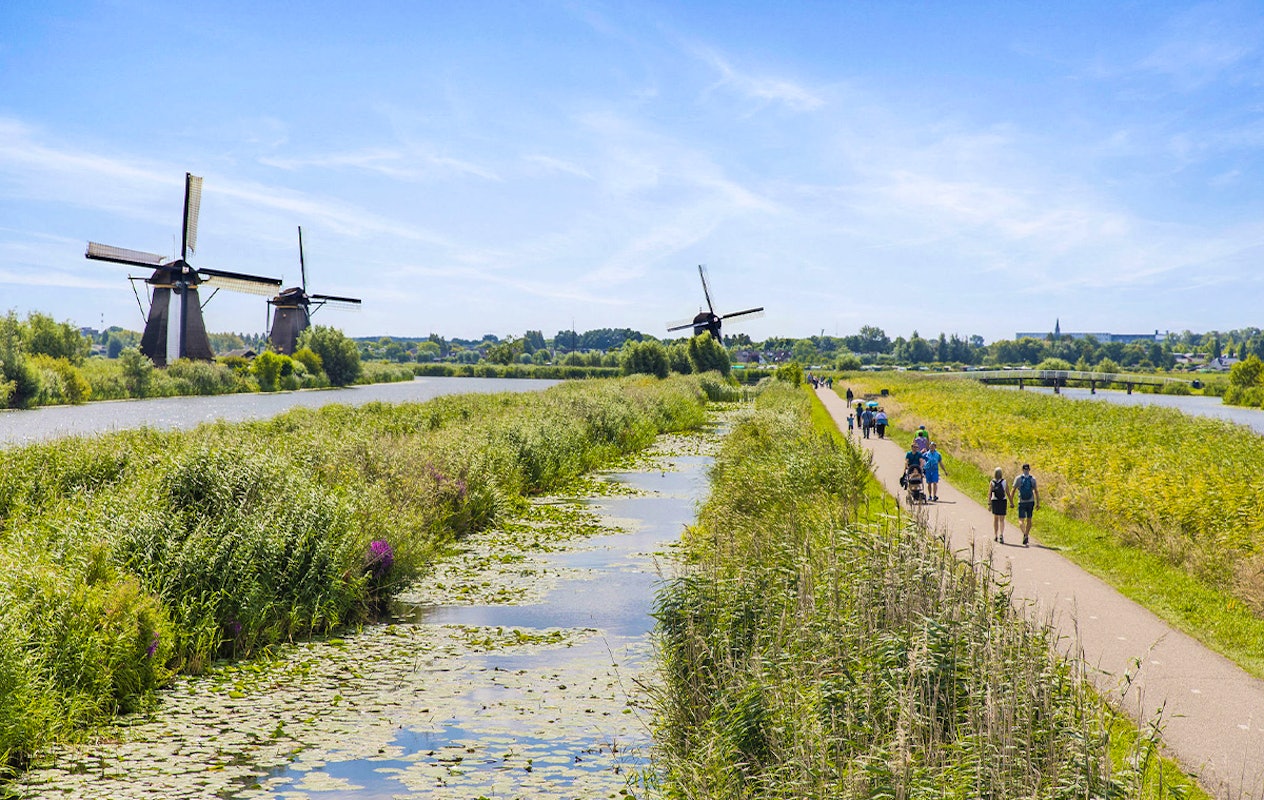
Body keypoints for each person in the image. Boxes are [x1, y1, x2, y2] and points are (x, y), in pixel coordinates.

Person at [1009, 463, 1040, 546]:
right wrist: (1038, 503)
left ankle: (1025, 534)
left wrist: (1011, 501)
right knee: (1029, 519)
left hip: (1021, 501)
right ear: (1029, 470)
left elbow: (1013, 490)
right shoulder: (1033, 479)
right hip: (1031, 501)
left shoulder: (1018, 478)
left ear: (1022, 469)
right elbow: (1036, 491)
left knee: (1021, 520)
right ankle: (1027, 534)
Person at [988, 466, 1008, 543]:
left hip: (995, 501)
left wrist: (989, 503)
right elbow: (1007, 492)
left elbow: (989, 493)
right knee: (1002, 519)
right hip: (1003, 501)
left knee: (995, 519)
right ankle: (1001, 534)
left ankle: (995, 535)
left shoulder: (992, 482)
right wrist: (1011, 501)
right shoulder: (1004, 482)